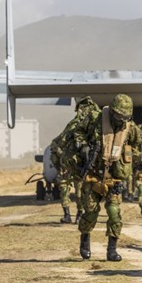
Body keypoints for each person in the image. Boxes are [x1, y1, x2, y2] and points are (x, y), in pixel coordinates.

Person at [74, 93, 142, 261]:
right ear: (112, 112)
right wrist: (83, 146)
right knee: (91, 212)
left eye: (125, 117)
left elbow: (139, 145)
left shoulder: (130, 128)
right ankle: (85, 239)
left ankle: (112, 250)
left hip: (114, 178)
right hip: (93, 176)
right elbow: (78, 131)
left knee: (114, 213)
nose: (121, 120)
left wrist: (128, 155)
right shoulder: (95, 119)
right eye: (119, 116)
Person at [50, 96, 100, 224]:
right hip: (73, 163)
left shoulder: (85, 126)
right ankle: (73, 215)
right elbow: (59, 142)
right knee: (72, 189)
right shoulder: (79, 126)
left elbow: (58, 142)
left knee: (77, 190)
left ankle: (76, 214)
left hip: (77, 163)